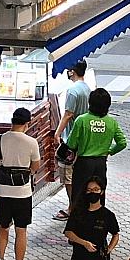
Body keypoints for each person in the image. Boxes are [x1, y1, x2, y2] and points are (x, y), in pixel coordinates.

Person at [0, 107, 42, 260]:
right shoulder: (31, 142)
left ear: (12, 121)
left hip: (3, 191)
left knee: (3, 227)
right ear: (27, 123)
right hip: (23, 192)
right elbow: (35, 167)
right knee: (21, 230)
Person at [66, 88, 126, 196]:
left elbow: (71, 144)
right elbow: (122, 143)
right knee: (98, 195)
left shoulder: (81, 120)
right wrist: (110, 151)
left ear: (90, 103)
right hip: (101, 164)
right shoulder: (111, 122)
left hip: (83, 164)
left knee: (79, 195)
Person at [53, 65, 91, 220]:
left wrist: (57, 133)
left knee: (68, 176)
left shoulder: (73, 91)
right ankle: (78, 205)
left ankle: (72, 208)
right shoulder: (87, 88)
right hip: (84, 140)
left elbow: (68, 114)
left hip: (71, 141)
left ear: (72, 72)